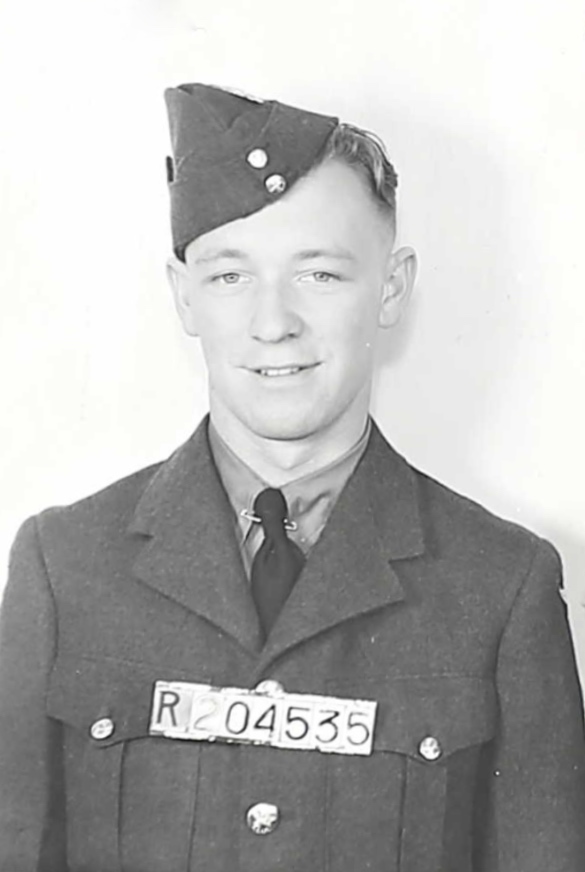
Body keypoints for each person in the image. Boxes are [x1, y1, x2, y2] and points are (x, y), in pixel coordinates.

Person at [0, 83, 583, 872]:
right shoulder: (65, 568)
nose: (273, 323)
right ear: (183, 296)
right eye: (229, 276)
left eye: (319, 275)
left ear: (391, 287)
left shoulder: (501, 587)